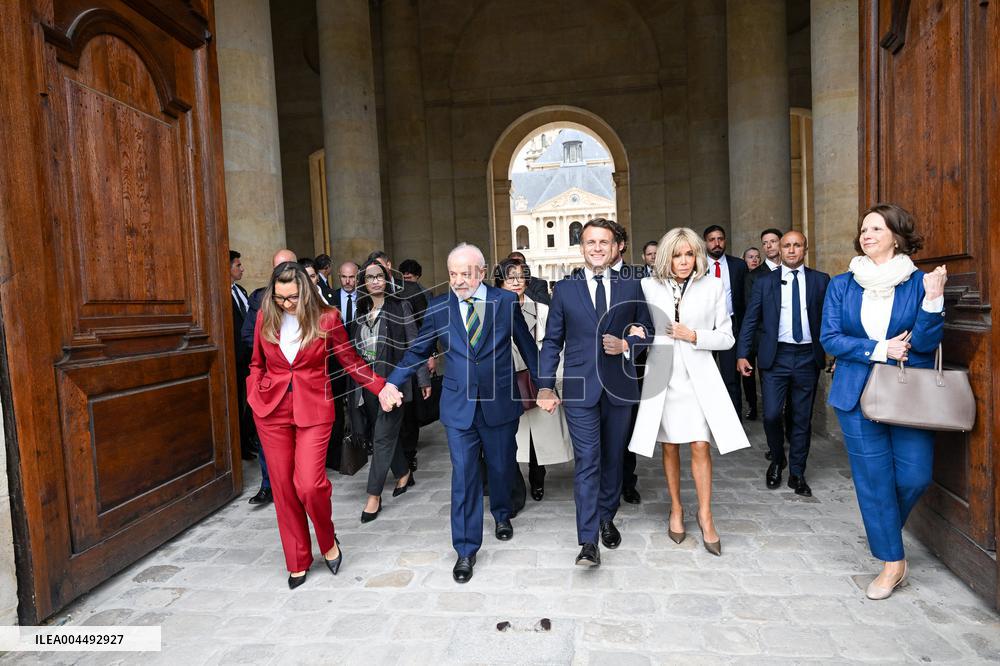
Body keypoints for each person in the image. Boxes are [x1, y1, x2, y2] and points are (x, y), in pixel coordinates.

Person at [382, 244, 540, 584]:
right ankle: (465, 549)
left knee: (501, 465)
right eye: (453, 274)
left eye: (465, 274)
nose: (458, 281)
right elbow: (417, 350)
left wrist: (544, 386)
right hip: (458, 407)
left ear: (481, 273)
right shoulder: (439, 307)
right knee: (464, 476)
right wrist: (392, 382)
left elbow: (527, 346)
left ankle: (502, 513)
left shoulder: (504, 302)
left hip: (499, 402)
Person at [820, 203, 946, 600]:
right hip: (856, 394)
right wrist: (880, 348)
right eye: (864, 229)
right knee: (873, 480)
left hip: (908, 395)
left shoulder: (919, 282)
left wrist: (933, 300)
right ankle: (893, 562)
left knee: (914, 476)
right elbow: (830, 338)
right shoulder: (842, 285)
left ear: (897, 235)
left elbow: (925, 343)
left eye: (876, 228)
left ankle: (883, 527)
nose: (867, 234)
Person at [246, 262, 388, 589]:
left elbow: (350, 360)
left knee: (309, 485)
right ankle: (297, 559)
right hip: (271, 410)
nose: (286, 304)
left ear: (306, 292)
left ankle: (327, 539)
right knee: (283, 489)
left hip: (314, 408)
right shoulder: (265, 316)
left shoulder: (327, 318)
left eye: (292, 297)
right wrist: (254, 391)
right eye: (280, 297)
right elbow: (256, 362)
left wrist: (380, 387)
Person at [536, 218, 652, 568]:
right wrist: (545, 385)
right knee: (587, 460)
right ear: (582, 247)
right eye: (590, 242)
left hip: (620, 387)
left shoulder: (633, 284)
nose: (597, 248)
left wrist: (627, 343)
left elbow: (648, 328)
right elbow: (552, 340)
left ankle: (606, 517)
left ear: (616, 246)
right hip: (580, 388)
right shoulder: (565, 289)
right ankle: (587, 541)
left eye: (604, 242)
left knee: (613, 458)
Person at [627, 228, 750, 556]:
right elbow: (640, 324)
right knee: (669, 446)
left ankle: (706, 515)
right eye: (677, 255)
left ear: (697, 256)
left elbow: (727, 338)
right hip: (663, 375)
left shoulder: (713, 286)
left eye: (689, 254)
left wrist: (694, 335)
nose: (684, 261)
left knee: (700, 444)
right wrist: (636, 330)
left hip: (699, 376)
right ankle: (676, 508)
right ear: (666, 257)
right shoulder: (648, 286)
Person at [737, 231, 830, 497]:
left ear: (805, 249)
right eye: (786, 245)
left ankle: (797, 473)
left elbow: (830, 319)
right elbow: (751, 319)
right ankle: (778, 459)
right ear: (780, 248)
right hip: (776, 357)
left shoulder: (821, 280)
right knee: (771, 415)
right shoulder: (765, 282)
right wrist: (742, 354)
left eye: (796, 245)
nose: (791, 250)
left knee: (801, 417)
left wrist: (834, 354)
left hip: (807, 357)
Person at [350, 258, 430, 522]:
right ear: (363, 282)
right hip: (368, 386)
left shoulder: (400, 306)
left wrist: (423, 379)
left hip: (394, 384)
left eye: (379, 276)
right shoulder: (360, 311)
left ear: (387, 279)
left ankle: (373, 496)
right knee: (383, 433)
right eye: (369, 277)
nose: (375, 281)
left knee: (382, 438)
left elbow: (414, 345)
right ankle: (404, 472)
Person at [495, 258, 573, 502]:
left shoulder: (542, 310)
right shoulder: (492, 310)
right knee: (511, 435)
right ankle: (514, 481)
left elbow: (557, 346)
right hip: (506, 379)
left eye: (520, 276)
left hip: (537, 379)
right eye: (510, 277)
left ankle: (538, 478)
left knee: (537, 435)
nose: (516, 282)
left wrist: (553, 381)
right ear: (499, 282)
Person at [241, 248, 299, 505]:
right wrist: (256, 388)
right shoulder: (260, 300)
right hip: (271, 389)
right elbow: (248, 338)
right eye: (278, 268)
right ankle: (269, 485)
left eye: (287, 267)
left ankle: (297, 485)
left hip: (303, 392)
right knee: (271, 450)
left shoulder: (313, 303)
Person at [744, 228, 787, 432]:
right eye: (765, 243)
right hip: (766, 342)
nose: (768, 246)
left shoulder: (793, 271)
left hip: (793, 342)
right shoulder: (754, 277)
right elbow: (752, 313)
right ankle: (775, 437)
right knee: (771, 395)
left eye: (773, 241)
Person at [703, 225, 748, 418]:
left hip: (730, 327)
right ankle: (707, 421)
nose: (716, 243)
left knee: (731, 378)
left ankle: (734, 422)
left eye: (720, 239)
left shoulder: (738, 265)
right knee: (704, 378)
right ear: (705, 242)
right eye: (712, 239)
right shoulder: (697, 265)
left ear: (725, 241)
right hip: (704, 329)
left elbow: (745, 298)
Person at [397, 258, 433, 472]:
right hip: (394, 360)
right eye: (404, 277)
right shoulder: (395, 294)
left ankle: (409, 452)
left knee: (410, 408)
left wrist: (431, 354)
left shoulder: (424, 294)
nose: (407, 281)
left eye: (410, 277)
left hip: (414, 354)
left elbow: (428, 328)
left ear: (417, 277)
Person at [229, 250, 256, 461]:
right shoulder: (221, 294)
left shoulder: (241, 291)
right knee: (236, 402)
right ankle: (238, 445)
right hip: (233, 358)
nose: (242, 268)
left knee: (251, 400)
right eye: (238, 265)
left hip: (249, 356)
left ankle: (248, 438)